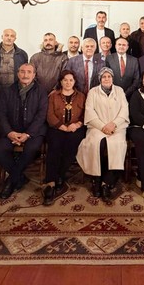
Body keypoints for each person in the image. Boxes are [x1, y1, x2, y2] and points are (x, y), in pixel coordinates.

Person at [0, 63, 48, 199]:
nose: (25, 75)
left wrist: (28, 134)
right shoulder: (8, 91)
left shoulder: (41, 91)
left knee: (31, 149)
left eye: (29, 72)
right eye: (22, 72)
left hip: (33, 132)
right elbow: (1, 114)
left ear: (34, 75)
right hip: (12, 131)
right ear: (18, 74)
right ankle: (19, 177)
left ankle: (12, 180)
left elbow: (41, 115)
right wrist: (9, 133)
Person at [76, 67, 129, 200]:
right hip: (97, 127)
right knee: (96, 144)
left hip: (117, 127)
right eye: (104, 77)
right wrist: (102, 126)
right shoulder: (93, 92)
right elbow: (89, 111)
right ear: (100, 79)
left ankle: (107, 182)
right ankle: (96, 179)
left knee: (116, 145)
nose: (106, 79)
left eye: (109, 76)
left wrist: (114, 124)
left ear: (112, 78)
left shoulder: (119, 91)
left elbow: (124, 110)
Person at [43, 70, 86, 205]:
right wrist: (61, 126)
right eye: (65, 80)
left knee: (71, 146)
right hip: (57, 127)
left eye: (71, 80)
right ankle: (50, 181)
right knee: (54, 147)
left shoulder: (81, 96)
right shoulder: (53, 96)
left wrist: (77, 124)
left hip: (75, 128)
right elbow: (49, 115)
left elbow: (85, 114)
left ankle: (60, 175)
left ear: (75, 82)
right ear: (61, 82)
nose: (68, 83)